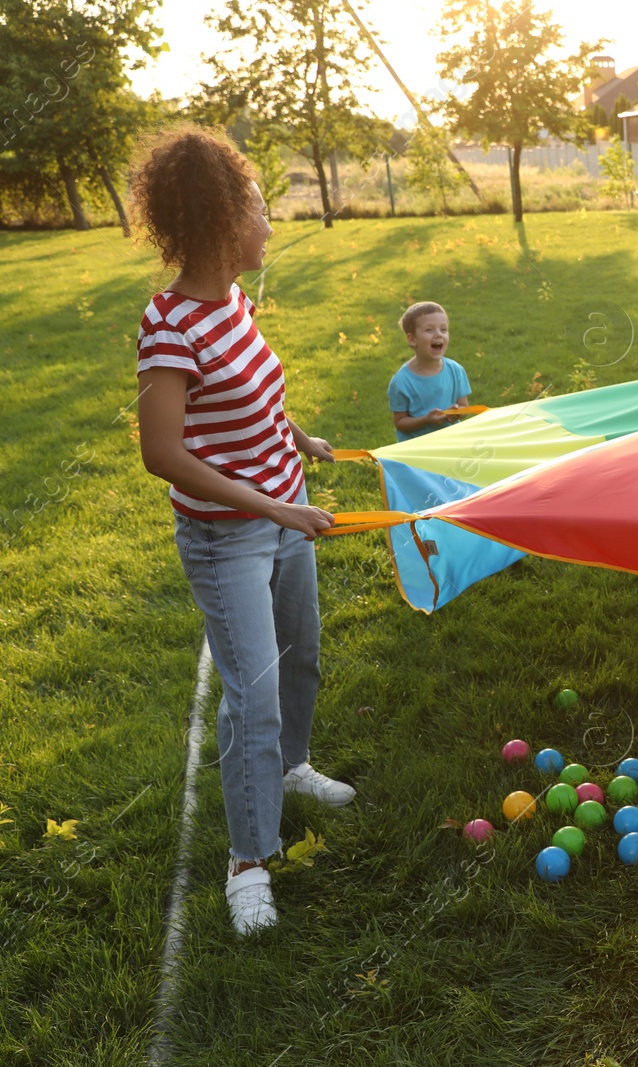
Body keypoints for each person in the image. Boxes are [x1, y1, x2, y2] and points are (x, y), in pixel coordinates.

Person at [131, 125, 356, 936]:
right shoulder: (170, 326)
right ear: (223, 223)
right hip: (231, 537)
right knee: (250, 698)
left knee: (303, 657)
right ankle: (248, 862)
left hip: (284, 511)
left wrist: (295, 438)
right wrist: (274, 508)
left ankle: (291, 768)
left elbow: (252, 395)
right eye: (261, 210)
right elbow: (162, 453)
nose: (271, 224)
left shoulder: (234, 302)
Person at [388, 301, 471, 442]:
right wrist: (426, 420)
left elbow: (464, 406)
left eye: (443, 330)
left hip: (450, 443)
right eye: (429, 330)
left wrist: (457, 412)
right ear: (413, 339)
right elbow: (400, 422)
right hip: (417, 449)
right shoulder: (401, 382)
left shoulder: (456, 371)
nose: (439, 335)